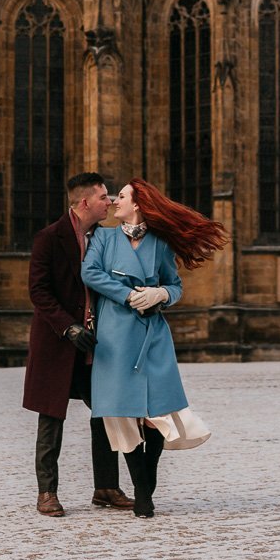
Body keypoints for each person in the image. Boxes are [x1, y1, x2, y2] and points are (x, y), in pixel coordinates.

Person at [82, 178, 227, 517]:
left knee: (156, 415)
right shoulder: (103, 237)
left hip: (153, 336)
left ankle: (147, 484)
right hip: (116, 337)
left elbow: (174, 286)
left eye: (122, 196)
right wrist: (127, 294)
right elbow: (90, 273)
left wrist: (161, 294)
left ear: (138, 204)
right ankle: (142, 492)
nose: (115, 202)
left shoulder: (160, 243)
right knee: (125, 415)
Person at [22, 171, 134, 518]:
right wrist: (68, 328)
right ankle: (47, 492)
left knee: (104, 412)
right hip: (58, 342)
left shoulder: (106, 238)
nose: (111, 202)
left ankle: (105, 487)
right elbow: (39, 292)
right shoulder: (49, 238)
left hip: (94, 345)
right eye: (104, 197)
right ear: (85, 202)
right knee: (51, 417)